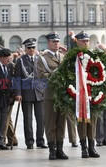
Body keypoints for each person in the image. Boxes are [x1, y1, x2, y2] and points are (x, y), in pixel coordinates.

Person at [37, 32, 68, 160]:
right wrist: (54, 75)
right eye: (54, 42)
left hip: (63, 94)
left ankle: (60, 149)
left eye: (57, 41)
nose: (56, 43)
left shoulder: (63, 57)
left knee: (61, 123)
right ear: (48, 43)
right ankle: (52, 150)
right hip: (50, 94)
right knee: (50, 123)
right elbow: (41, 75)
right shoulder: (42, 58)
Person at [15, 38, 47, 149]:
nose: (32, 50)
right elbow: (17, 77)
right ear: (25, 49)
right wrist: (18, 93)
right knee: (27, 119)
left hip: (39, 92)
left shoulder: (40, 59)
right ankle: (29, 141)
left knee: (41, 119)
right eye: (29, 48)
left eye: (33, 47)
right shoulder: (20, 60)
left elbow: (44, 75)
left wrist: (44, 90)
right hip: (26, 92)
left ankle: (40, 140)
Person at [74, 31, 100, 158]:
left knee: (92, 121)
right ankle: (84, 147)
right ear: (77, 41)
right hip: (79, 94)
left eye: (87, 41)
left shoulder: (94, 55)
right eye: (83, 41)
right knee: (82, 122)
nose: (85, 43)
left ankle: (92, 147)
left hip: (92, 92)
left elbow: (99, 72)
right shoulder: (73, 57)